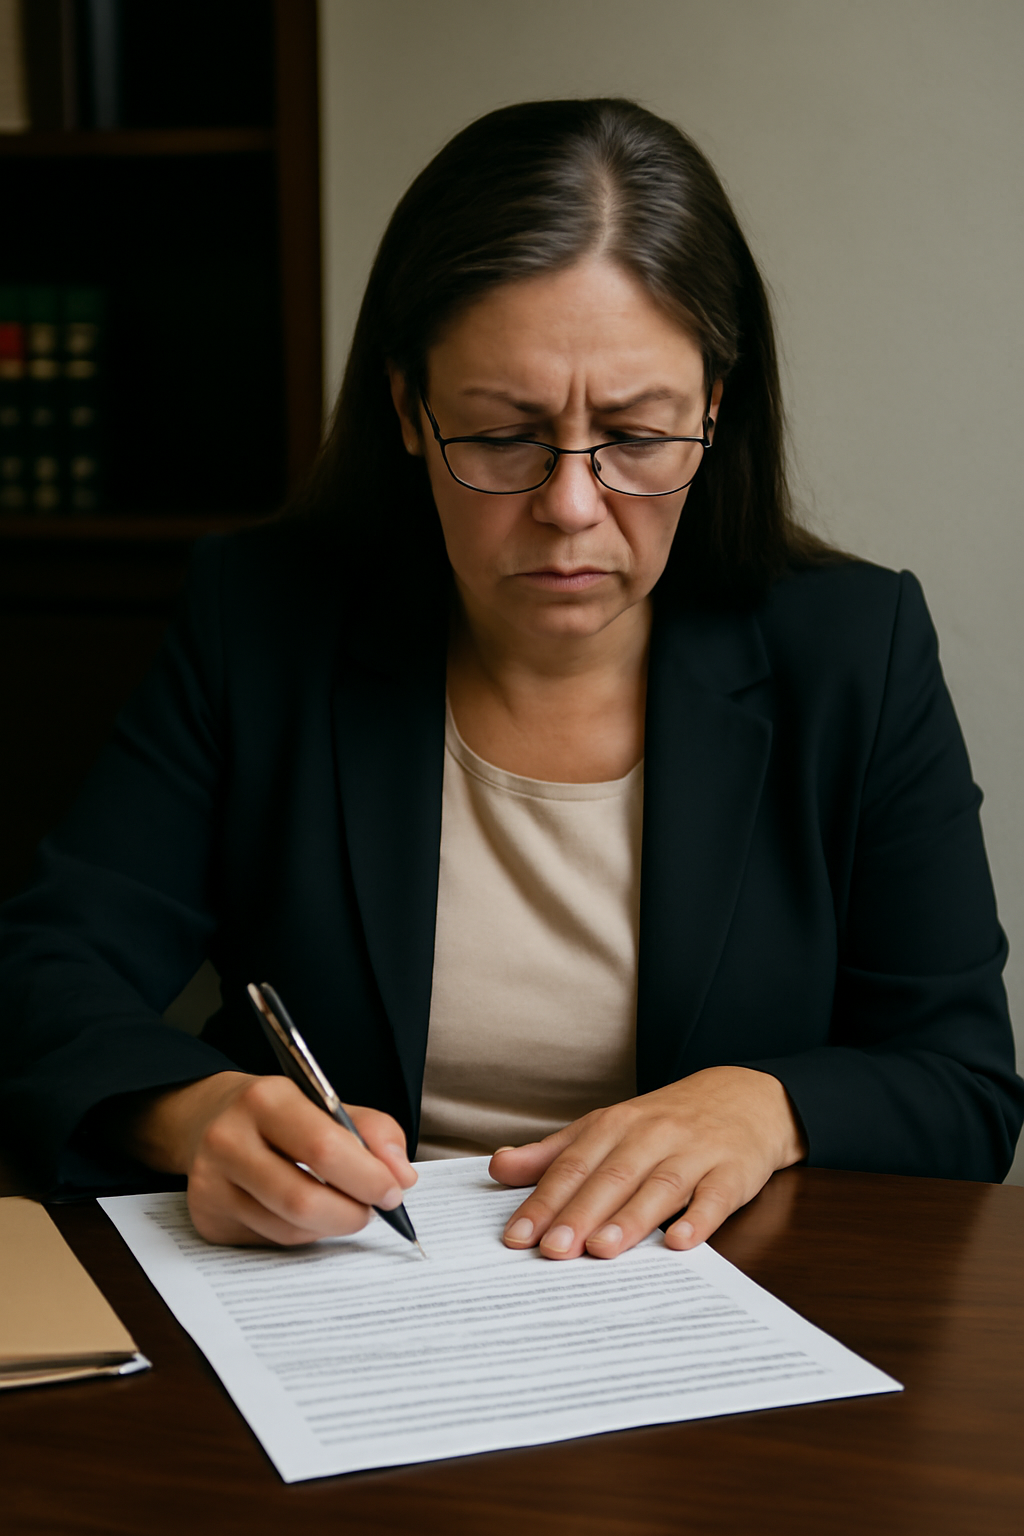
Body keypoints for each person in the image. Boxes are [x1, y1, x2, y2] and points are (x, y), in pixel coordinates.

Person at [0, 99, 1020, 1260]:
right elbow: (45, 971)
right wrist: (194, 1116)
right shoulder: (262, 622)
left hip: (716, 1302)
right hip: (349, 1283)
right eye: (500, 437)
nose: (571, 506)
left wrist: (765, 1107)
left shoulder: (853, 650)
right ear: (407, 408)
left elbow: (962, 1086)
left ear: (714, 408)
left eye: (636, 435)